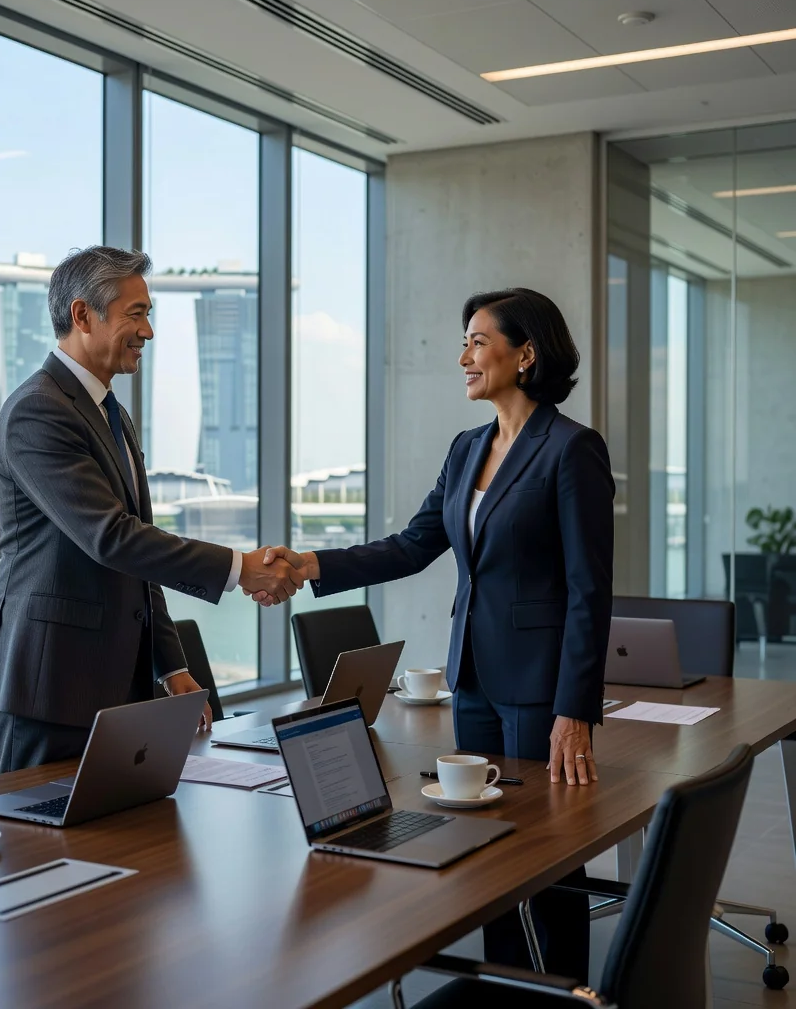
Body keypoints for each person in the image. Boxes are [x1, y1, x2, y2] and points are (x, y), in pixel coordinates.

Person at [258, 287, 614, 980]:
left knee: (546, 856)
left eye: (478, 342)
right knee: (486, 847)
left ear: (526, 354)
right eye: (464, 342)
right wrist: (311, 564)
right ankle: (507, 987)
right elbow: (413, 544)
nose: (464, 358)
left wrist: (575, 710)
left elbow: (589, 591)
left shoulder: (572, 450)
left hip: (540, 688)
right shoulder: (468, 448)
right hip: (472, 680)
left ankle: (561, 989)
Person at [0, 246, 304, 774]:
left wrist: (170, 665)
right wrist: (240, 568)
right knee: (37, 827)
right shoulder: (37, 411)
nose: (147, 332)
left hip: (115, 686)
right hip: (49, 686)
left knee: (125, 826)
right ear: (83, 315)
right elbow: (112, 538)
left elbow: (137, 551)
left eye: (148, 314)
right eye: (136, 314)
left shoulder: (112, 414)